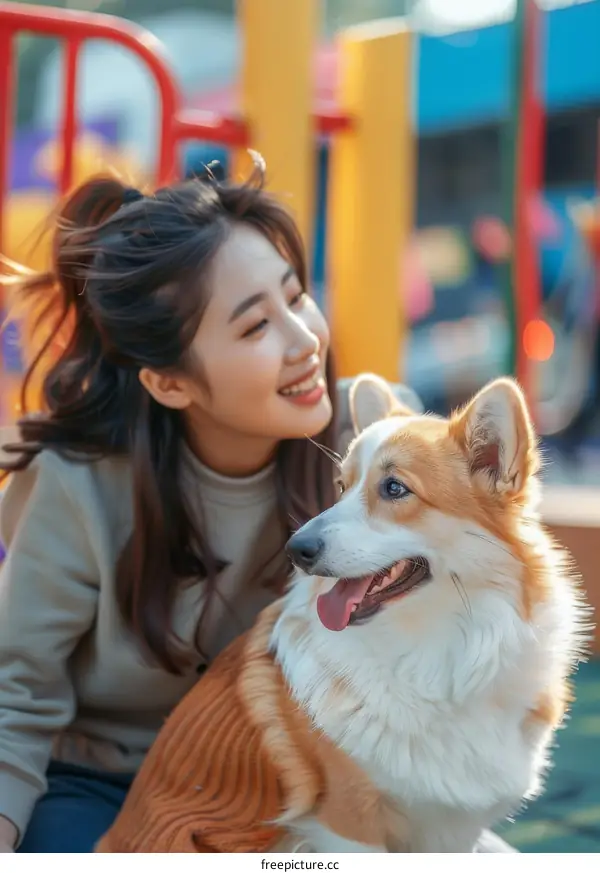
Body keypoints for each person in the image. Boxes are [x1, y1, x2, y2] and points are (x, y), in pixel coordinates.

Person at [0, 157, 516, 853]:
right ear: (170, 382)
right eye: (254, 327)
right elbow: (16, 699)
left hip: (294, 773)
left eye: (296, 296)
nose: (304, 341)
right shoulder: (80, 481)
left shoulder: (370, 444)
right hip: (103, 784)